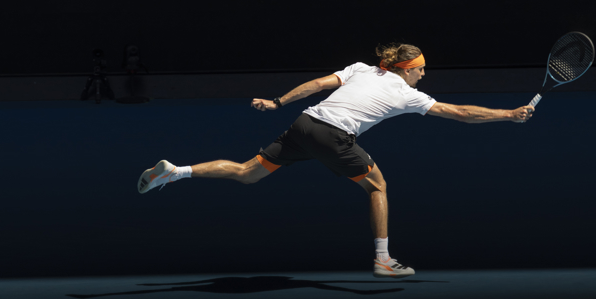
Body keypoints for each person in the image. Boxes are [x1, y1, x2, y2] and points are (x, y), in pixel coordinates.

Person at [137, 43, 534, 278]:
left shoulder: (361, 69)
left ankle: (175, 172)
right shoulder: (407, 93)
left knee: (247, 173)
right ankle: (384, 260)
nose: (424, 75)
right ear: (407, 69)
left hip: (305, 123)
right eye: (421, 69)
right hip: (334, 135)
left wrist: (277, 102)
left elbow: (316, 85)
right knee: (377, 187)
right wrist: (509, 114)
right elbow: (460, 113)